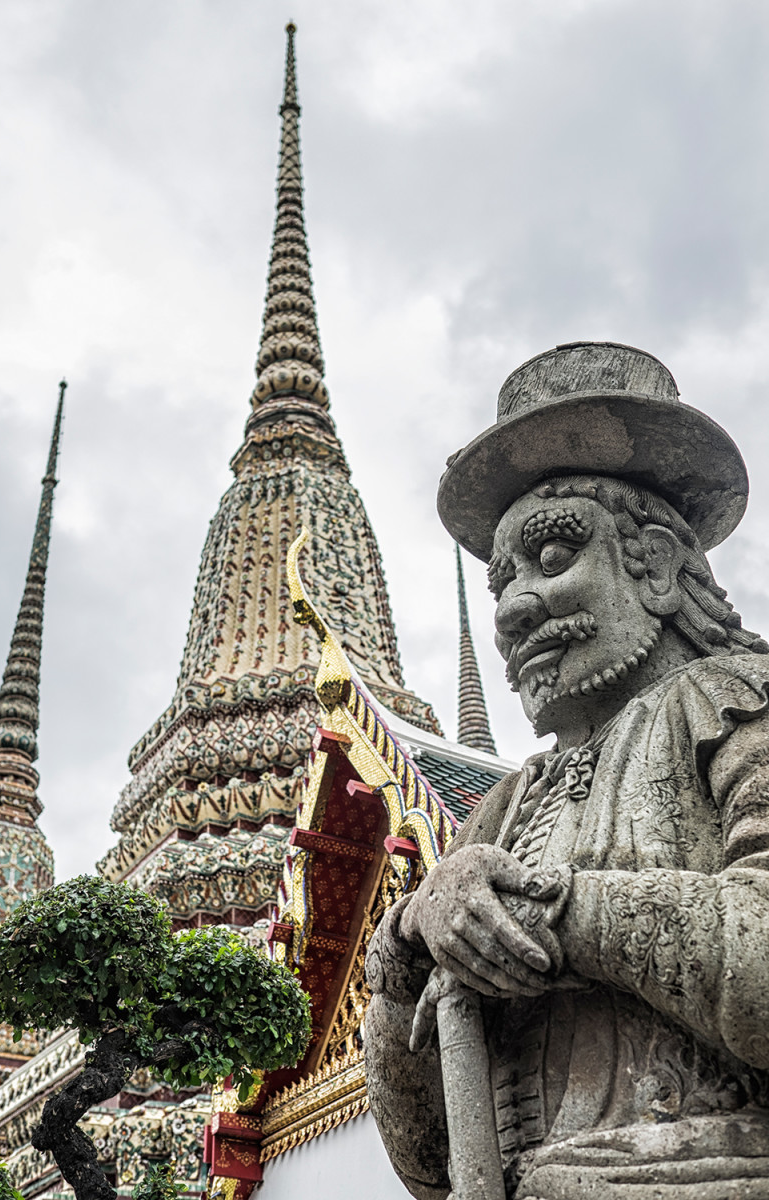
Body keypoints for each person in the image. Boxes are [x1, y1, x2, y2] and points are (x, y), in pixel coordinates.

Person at [364, 342, 769, 1200]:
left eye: (552, 560)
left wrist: (551, 913)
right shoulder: (503, 811)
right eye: (501, 577)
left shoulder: (742, 704)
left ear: (656, 565)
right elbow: (428, 1164)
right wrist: (404, 950)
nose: (511, 608)